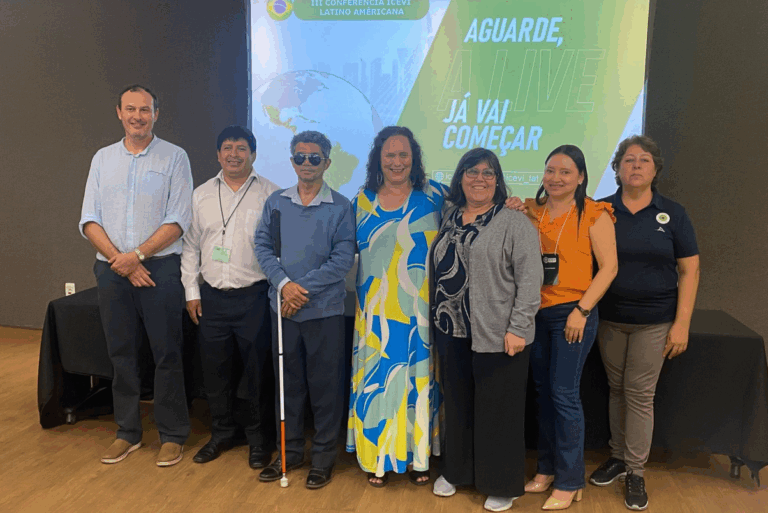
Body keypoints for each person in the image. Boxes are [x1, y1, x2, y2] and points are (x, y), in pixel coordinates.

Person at [79, 84, 193, 466]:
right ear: (118, 113)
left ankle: (173, 434)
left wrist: (139, 255)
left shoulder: (175, 157)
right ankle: (127, 432)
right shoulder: (102, 159)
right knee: (121, 354)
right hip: (112, 270)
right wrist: (121, 261)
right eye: (130, 109)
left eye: (145, 110)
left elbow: (178, 220)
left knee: (167, 354)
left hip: (159, 268)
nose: (137, 116)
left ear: (156, 114)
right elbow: (88, 219)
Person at [588, 135, 699, 511]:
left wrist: (681, 323)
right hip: (609, 319)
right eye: (628, 160)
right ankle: (618, 457)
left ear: (655, 169)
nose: (635, 165)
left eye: (644, 160)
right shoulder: (600, 210)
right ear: (617, 169)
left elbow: (690, 270)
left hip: (655, 322)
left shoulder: (673, 214)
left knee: (638, 394)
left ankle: (636, 471)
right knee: (616, 390)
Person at [430, 148, 543, 512]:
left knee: (499, 411)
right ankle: (458, 472)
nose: (479, 178)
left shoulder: (513, 221)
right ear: (459, 177)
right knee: (459, 404)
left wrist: (519, 328)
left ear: (498, 180)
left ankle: (500, 483)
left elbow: (530, 281)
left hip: (499, 333)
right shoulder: (449, 216)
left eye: (488, 173)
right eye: (471, 171)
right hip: (451, 330)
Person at [346, 126, 448, 487]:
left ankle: (419, 458)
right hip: (375, 317)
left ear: (414, 159)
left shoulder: (435, 196)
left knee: (416, 386)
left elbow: (479, 208)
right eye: (389, 155)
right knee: (379, 384)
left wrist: (516, 204)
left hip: (419, 313)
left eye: (404, 154)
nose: (397, 162)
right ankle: (378, 459)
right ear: (378, 159)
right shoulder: (360, 201)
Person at [254, 130, 355, 489]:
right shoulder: (276, 203)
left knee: (325, 389)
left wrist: (301, 288)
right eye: (300, 157)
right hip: (283, 310)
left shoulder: (341, 206)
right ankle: (290, 452)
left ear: (327, 162)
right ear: (292, 160)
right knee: (288, 387)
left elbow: (343, 258)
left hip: (323, 312)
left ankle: (323, 459)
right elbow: (263, 246)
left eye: (315, 157)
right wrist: (284, 286)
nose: (307, 163)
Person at [523, 145, 618, 510]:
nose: (556, 178)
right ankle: (546, 469)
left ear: (580, 176)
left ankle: (569, 479)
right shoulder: (533, 211)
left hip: (573, 314)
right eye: (550, 170)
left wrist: (581, 309)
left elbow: (609, 268)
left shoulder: (595, 213)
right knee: (543, 394)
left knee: (564, 395)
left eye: (565, 171)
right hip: (536, 313)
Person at [180, 125, 279, 468]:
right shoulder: (201, 194)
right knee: (215, 373)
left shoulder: (272, 194)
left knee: (256, 373)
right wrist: (192, 292)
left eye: (241, 148)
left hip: (254, 296)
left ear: (253, 154)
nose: (233, 154)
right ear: (217, 154)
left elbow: (279, 248)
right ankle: (221, 434)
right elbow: (190, 246)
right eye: (227, 148)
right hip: (211, 300)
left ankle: (257, 440)